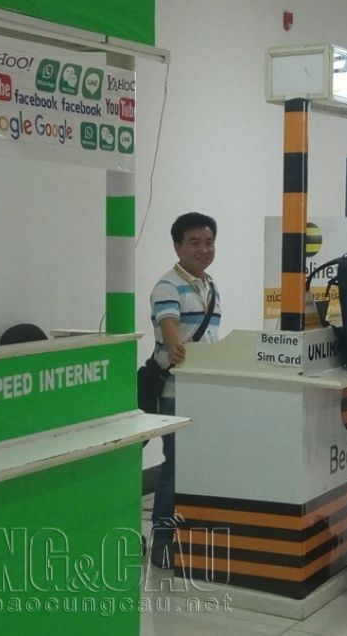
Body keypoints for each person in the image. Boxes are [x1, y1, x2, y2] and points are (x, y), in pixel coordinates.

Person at [148, 212, 221, 568]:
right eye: (195, 243)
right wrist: (175, 345)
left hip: (206, 391)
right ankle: (162, 540)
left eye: (209, 242)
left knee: (200, 465)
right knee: (176, 466)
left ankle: (190, 534)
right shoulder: (168, 285)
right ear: (177, 246)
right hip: (176, 392)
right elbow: (169, 326)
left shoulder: (210, 286)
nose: (204, 249)